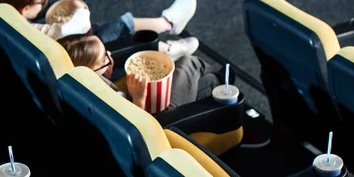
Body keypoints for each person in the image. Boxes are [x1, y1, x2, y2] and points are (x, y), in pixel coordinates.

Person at [0, 0, 200, 61]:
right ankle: (166, 38)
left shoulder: (5, 16)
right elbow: (77, 26)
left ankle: (166, 28)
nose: (45, 3)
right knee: (107, 33)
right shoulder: (32, 31)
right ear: (25, 9)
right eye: (42, 1)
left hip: (67, 52)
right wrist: (80, 6)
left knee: (106, 28)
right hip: (82, 58)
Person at [58, 33, 228, 110]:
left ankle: (218, 79)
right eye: (104, 59)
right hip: (162, 118)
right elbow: (138, 130)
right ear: (90, 72)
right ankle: (222, 78)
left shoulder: (67, 80)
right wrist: (138, 98)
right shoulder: (103, 100)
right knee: (189, 62)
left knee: (205, 82)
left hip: (136, 103)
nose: (110, 55)